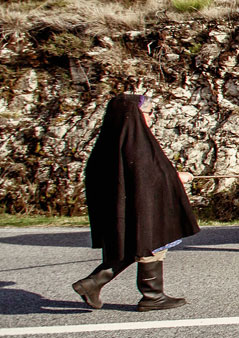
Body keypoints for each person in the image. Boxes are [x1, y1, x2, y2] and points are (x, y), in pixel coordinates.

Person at [71, 94, 199, 311]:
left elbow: (141, 175)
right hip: (141, 207)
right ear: (136, 115)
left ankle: (93, 284)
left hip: (121, 208)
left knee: (133, 245)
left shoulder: (110, 140)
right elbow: (149, 175)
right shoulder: (137, 141)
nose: (151, 118)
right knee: (150, 243)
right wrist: (177, 177)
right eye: (148, 113)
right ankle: (152, 296)